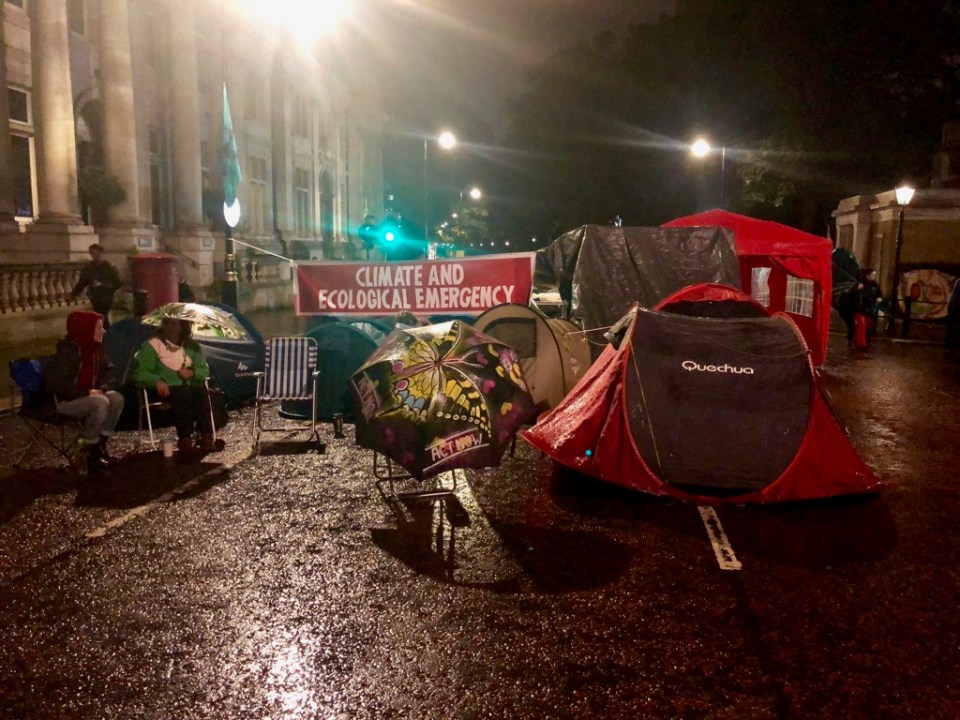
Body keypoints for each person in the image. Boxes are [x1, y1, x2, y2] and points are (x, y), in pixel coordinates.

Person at [43, 311, 125, 473]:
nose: (104, 331)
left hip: (90, 395)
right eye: (99, 328)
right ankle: (88, 451)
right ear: (86, 329)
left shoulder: (96, 349)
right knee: (100, 402)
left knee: (116, 398)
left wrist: (103, 387)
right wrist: (87, 392)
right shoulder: (67, 354)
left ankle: (99, 447)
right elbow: (55, 385)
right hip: (63, 402)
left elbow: (109, 371)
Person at [133, 317, 219, 457]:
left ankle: (206, 437)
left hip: (188, 386)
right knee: (183, 394)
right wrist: (156, 381)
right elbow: (140, 373)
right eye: (166, 323)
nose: (169, 327)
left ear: (182, 326)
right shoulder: (153, 345)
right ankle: (185, 439)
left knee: (201, 393)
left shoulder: (191, 346)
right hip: (165, 388)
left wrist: (192, 372)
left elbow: (204, 370)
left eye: (173, 323)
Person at [70, 243, 121, 329]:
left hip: (106, 296)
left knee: (102, 315)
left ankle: (106, 333)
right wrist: (73, 294)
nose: (94, 256)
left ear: (102, 253)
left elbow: (117, 283)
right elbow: (83, 282)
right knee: (99, 316)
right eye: (92, 254)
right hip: (95, 296)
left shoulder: (109, 267)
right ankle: (104, 333)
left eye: (96, 254)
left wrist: (103, 284)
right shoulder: (89, 267)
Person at [857, 267, 883, 339]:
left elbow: (879, 294)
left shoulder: (875, 285)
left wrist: (879, 298)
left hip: (872, 307)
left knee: (870, 324)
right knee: (863, 324)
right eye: (872, 275)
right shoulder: (862, 284)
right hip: (863, 307)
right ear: (867, 275)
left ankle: (869, 335)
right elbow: (858, 294)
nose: (874, 277)